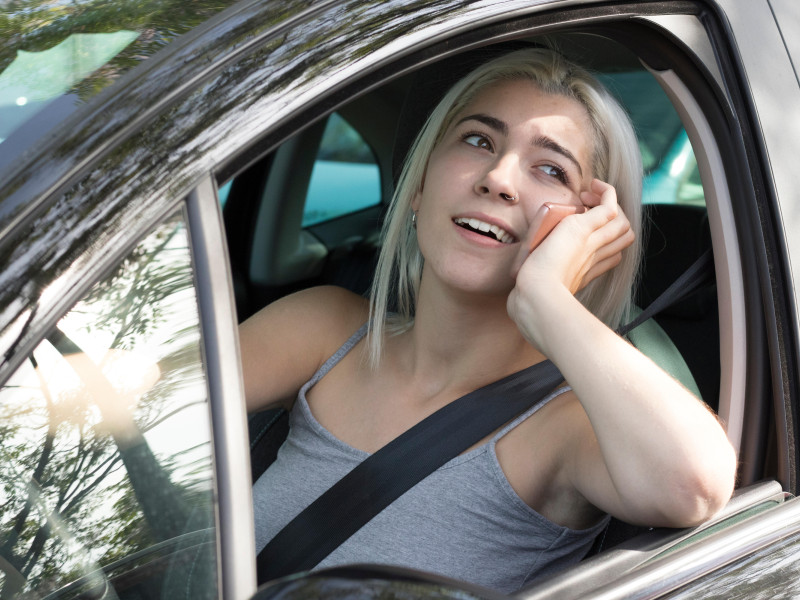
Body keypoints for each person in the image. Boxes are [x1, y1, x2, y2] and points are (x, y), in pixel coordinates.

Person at [241, 47, 737, 593]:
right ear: (422, 182)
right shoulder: (322, 328)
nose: (499, 179)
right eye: (478, 140)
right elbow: (145, 392)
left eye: (550, 169)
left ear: (590, 225)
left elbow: (694, 487)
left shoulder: (565, 426)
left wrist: (548, 299)